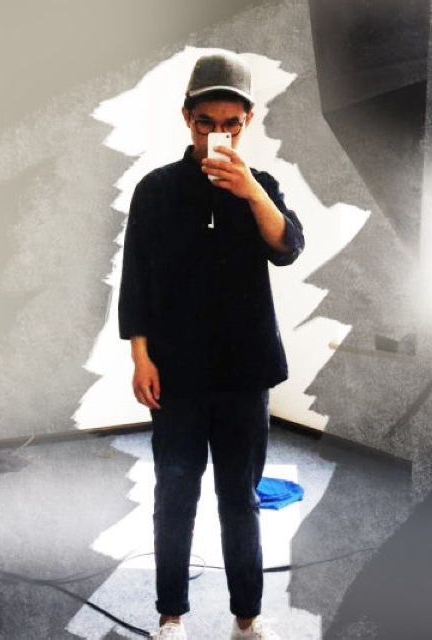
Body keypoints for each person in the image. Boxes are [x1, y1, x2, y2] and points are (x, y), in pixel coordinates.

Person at [118, 50, 305, 640]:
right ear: (187, 118)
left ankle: (246, 619)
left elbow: (288, 248)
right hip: (175, 374)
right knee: (174, 494)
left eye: (231, 124)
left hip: (245, 373)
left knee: (240, 498)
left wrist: (251, 192)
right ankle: (171, 615)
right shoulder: (154, 191)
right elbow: (137, 280)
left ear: (247, 123)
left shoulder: (262, 188)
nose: (216, 135)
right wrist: (140, 357)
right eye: (206, 123)